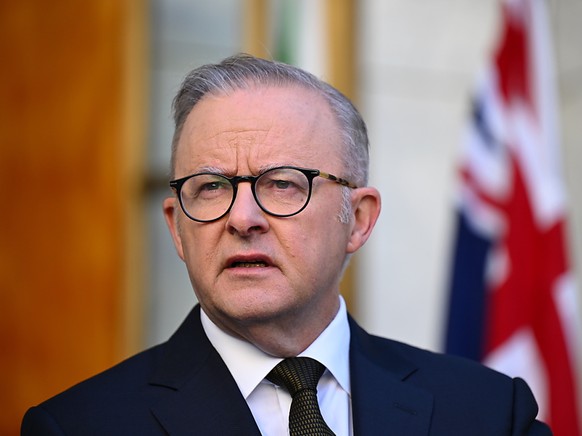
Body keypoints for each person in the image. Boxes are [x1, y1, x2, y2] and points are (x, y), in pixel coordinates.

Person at [21, 54, 551, 435]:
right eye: (211, 187)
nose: (242, 218)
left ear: (358, 220)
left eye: (281, 184)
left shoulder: (489, 413)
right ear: (177, 226)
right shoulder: (78, 425)